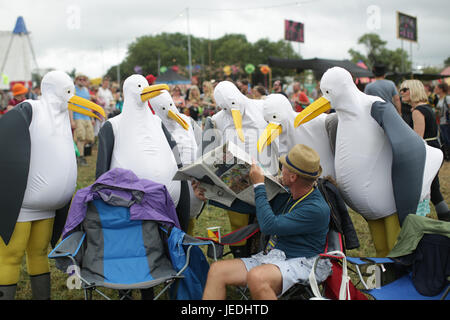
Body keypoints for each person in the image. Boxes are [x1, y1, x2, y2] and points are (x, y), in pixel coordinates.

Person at [194, 144, 331, 300]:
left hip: (303, 263)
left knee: (257, 277)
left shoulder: (316, 208)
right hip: (274, 257)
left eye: (283, 167)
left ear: (293, 177)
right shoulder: (289, 193)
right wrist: (209, 196)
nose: (281, 170)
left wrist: (259, 185)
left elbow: (269, 225)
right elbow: (251, 205)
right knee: (217, 270)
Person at [399, 80, 450, 222]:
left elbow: (418, 139)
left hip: (427, 151)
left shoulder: (417, 111)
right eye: (401, 90)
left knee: (424, 188)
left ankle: (418, 219)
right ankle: (444, 216)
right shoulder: (426, 107)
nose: (401, 93)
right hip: (434, 148)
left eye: (405, 90)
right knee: (433, 187)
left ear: (414, 90)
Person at [69, 73, 95, 166]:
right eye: (80, 79)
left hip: (87, 117)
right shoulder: (73, 90)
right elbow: (70, 106)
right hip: (77, 117)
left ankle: (74, 152)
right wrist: (72, 120)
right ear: (76, 80)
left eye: (84, 79)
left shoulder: (86, 90)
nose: (82, 81)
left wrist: (92, 117)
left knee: (90, 138)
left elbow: (88, 105)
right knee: (81, 138)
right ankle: (80, 157)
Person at [434, 83, 450, 161]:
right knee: (443, 139)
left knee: (447, 139)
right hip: (440, 122)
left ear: (441, 89)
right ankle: (446, 156)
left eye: (436, 88)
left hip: (446, 122)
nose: (435, 90)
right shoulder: (439, 98)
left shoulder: (447, 98)